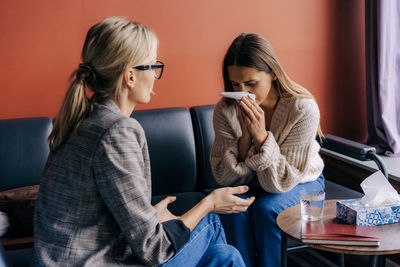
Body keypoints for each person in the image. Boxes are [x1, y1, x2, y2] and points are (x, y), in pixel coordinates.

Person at [33, 17, 255, 267]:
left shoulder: (82, 120)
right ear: (130, 76)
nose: (155, 76)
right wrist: (210, 203)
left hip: (65, 258)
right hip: (94, 261)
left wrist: (151, 217)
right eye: (152, 66)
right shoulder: (117, 131)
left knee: (226, 257)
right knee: (212, 224)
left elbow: (100, 208)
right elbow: (154, 250)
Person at [210, 32, 325, 267]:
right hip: (254, 181)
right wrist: (244, 140)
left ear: (273, 73)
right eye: (235, 84)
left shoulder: (302, 108)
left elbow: (279, 183)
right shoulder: (226, 109)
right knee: (232, 206)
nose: (244, 93)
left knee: (267, 209)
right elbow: (223, 177)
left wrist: (261, 138)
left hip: (300, 180)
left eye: (251, 84)